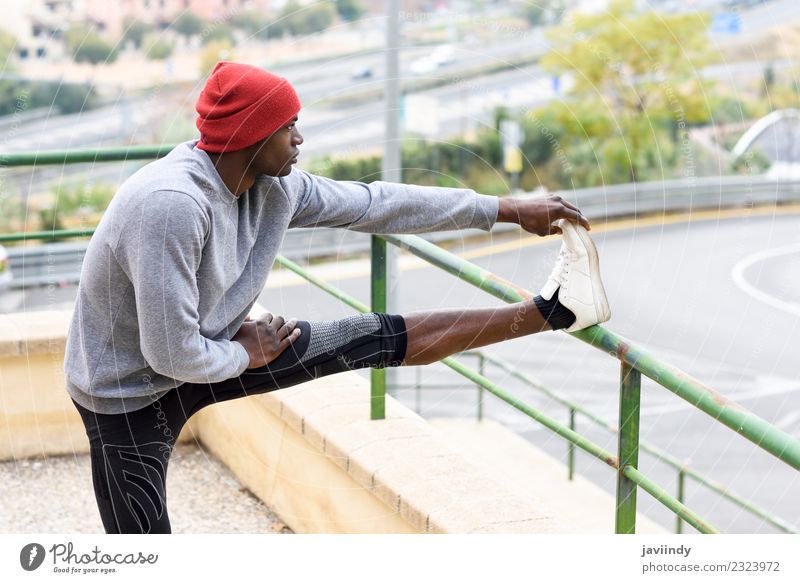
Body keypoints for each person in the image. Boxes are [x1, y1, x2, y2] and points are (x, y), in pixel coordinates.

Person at [64, 61, 610, 534]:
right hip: (127, 394)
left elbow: (377, 204)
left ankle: (553, 311)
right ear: (252, 137)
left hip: (216, 348)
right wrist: (244, 355)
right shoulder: (171, 206)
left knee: (367, 338)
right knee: (143, 546)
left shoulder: (274, 187)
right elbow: (170, 355)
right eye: (289, 127)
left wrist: (505, 210)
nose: (299, 139)